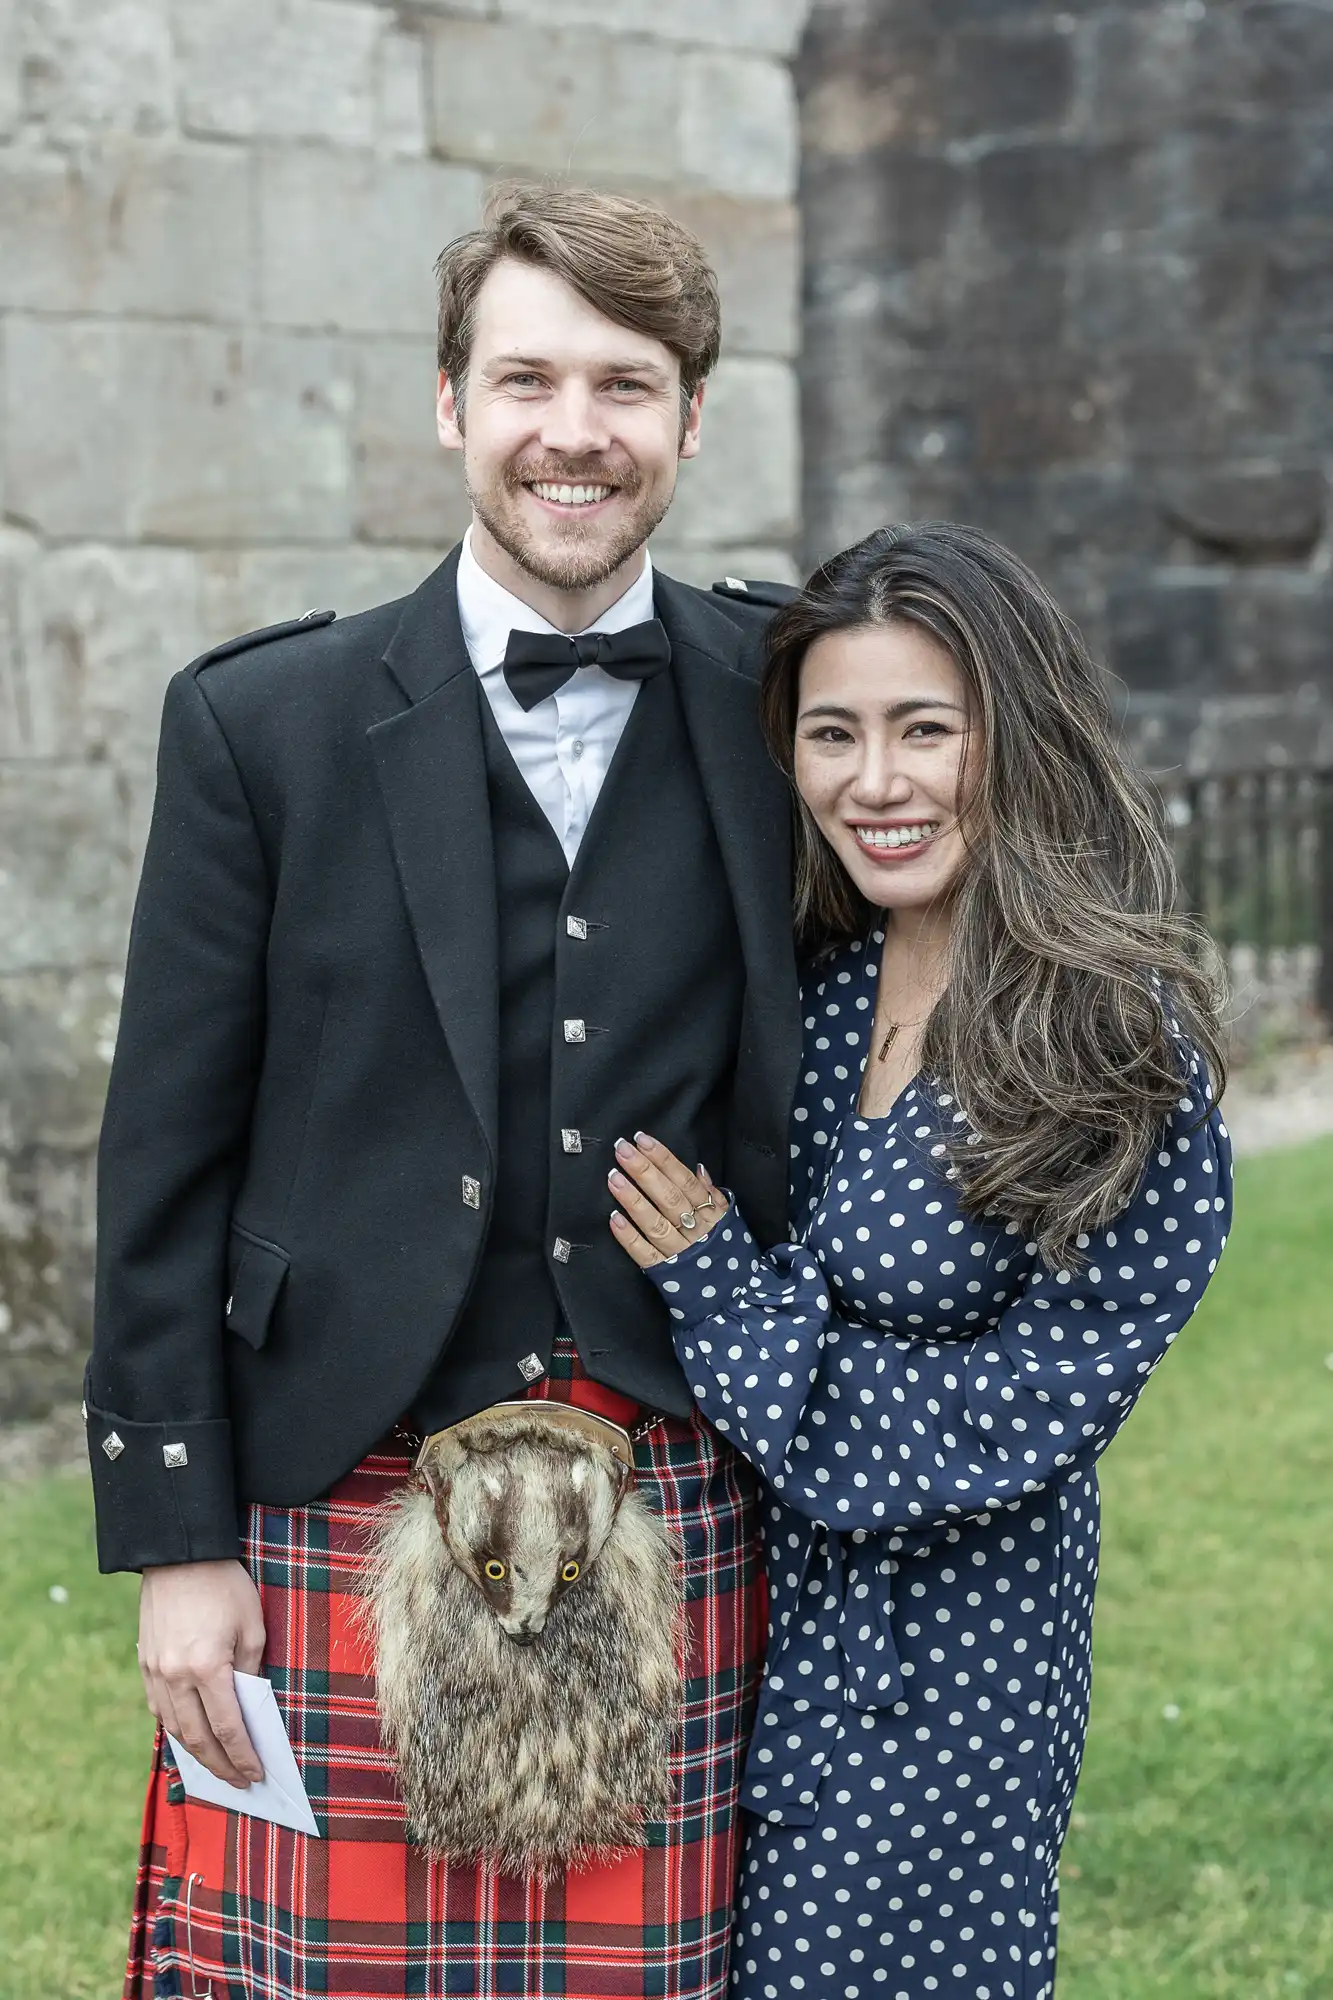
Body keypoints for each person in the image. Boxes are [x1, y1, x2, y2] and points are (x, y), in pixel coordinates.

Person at [86, 182, 802, 2000]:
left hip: (675, 1493)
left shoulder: (781, 696)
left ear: (693, 417)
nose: (577, 432)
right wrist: (178, 1538)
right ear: (448, 402)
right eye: (527, 380)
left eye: (629, 386)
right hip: (336, 1488)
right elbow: (163, 1158)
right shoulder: (266, 724)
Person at [609, 522, 1232, 2000]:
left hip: (944, 1678)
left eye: (922, 731)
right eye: (832, 733)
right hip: (752, 1619)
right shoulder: (822, 983)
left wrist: (719, 1286)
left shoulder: (1113, 1047)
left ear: (1014, 736)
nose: (872, 783)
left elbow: (993, 1425)